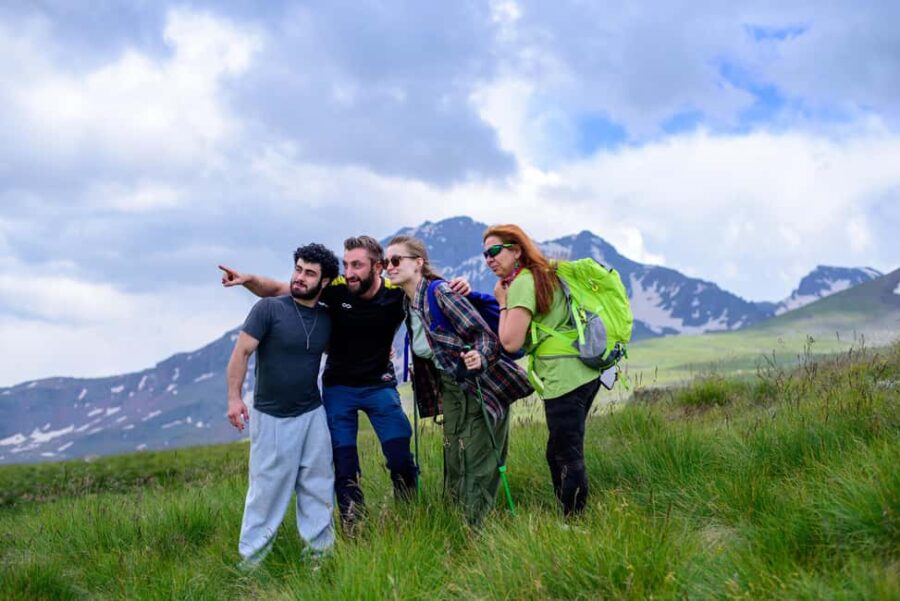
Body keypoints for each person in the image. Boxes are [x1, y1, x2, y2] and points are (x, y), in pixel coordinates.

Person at [220, 236, 470, 531]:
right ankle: (354, 527)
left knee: (400, 453)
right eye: (346, 264)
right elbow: (277, 289)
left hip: (380, 385)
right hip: (339, 387)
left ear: (377, 267)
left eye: (357, 265)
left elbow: (425, 288)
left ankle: (409, 515)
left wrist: (459, 285)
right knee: (344, 462)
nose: (349, 272)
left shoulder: (395, 294)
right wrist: (248, 279)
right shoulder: (336, 290)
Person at [385, 235, 532, 526]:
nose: (389, 266)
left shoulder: (440, 294)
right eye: (386, 262)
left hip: (480, 385)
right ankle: (454, 524)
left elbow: (484, 337)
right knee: (454, 457)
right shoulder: (408, 303)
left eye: (396, 260)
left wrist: (478, 356)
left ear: (418, 263)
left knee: (479, 460)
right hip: (450, 388)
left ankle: (472, 530)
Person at [226, 243, 339, 568]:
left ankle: (319, 559)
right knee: (266, 493)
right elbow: (241, 353)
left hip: (312, 413)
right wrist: (234, 399)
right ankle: (251, 565)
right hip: (272, 415)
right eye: (298, 269)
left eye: (310, 273)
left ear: (325, 281)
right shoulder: (269, 309)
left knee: (318, 486)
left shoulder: (327, 317)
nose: (300, 277)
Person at [483, 225, 602, 517]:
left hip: (564, 377)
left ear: (516, 250)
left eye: (495, 251)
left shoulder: (523, 282)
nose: (489, 259)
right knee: (560, 450)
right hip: (584, 372)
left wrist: (502, 303)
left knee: (565, 454)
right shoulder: (545, 274)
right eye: (485, 255)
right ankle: (572, 516)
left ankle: (574, 522)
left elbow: (510, 343)